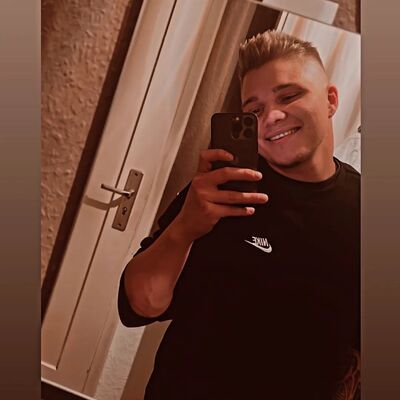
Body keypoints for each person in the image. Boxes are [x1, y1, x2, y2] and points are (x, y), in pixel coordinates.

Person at [118, 30, 360, 399]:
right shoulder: (221, 189)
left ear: (330, 100)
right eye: (254, 110)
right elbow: (138, 306)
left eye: (289, 96)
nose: (271, 117)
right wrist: (184, 228)